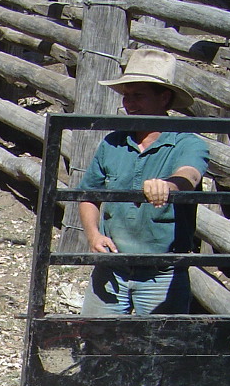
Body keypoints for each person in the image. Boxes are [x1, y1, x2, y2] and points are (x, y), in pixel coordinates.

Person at [79, 49, 209, 315]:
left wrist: (170, 186)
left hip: (161, 270)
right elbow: (89, 194)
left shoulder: (188, 142)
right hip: (112, 266)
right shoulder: (113, 142)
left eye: (138, 95)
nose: (129, 102)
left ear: (164, 98)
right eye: (126, 95)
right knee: (97, 342)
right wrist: (93, 234)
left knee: (157, 348)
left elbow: (190, 174)